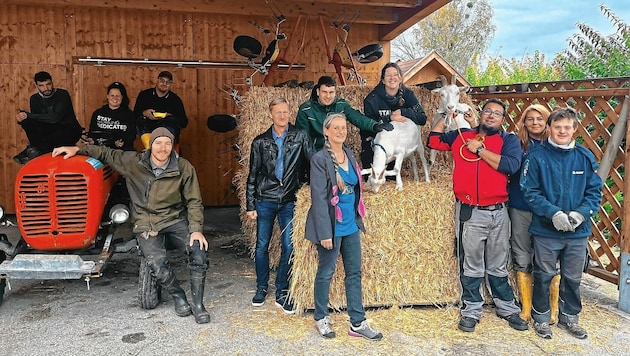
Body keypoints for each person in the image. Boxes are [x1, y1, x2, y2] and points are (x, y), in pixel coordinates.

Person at [51, 127, 211, 324]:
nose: (163, 148)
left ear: (172, 146)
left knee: (198, 251)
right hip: (145, 221)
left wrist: (196, 229)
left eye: (168, 143)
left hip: (173, 218)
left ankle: (197, 304)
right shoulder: (133, 162)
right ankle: (178, 296)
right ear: (151, 145)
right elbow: (105, 153)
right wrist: (77, 149)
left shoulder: (183, 167)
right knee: (156, 263)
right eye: (158, 143)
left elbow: (194, 200)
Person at [427, 98, 528, 333]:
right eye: (488, 112)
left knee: (498, 263)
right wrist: (446, 115)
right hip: (470, 211)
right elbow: (433, 141)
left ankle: (507, 308)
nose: (491, 116)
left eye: (497, 114)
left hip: (499, 211)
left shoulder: (508, 140)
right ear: (479, 114)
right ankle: (471, 310)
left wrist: (480, 150)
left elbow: (511, 166)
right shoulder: (461, 136)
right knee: (470, 264)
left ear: (503, 120)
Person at [520, 107, 602, 340]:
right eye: (557, 127)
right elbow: (530, 191)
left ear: (575, 129)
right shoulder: (537, 157)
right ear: (549, 129)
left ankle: (570, 317)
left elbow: (594, 192)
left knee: (573, 277)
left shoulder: (584, 157)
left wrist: (581, 214)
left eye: (567, 127)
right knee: (544, 275)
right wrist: (553, 213)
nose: (562, 131)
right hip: (546, 231)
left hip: (577, 232)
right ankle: (542, 318)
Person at [304, 112, 383, 341]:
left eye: (343, 127)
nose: (341, 131)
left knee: (354, 274)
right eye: (335, 128)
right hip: (331, 226)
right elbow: (318, 199)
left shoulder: (349, 154)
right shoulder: (320, 159)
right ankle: (321, 318)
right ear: (326, 131)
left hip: (350, 224)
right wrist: (325, 233)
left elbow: (355, 187)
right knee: (326, 272)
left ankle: (357, 323)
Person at [246, 97, 314, 313]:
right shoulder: (259, 142)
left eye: (285, 112)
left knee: (289, 245)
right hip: (264, 199)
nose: (283, 116)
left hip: (289, 199)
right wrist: (250, 205)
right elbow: (252, 174)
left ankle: (282, 290)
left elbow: (313, 163)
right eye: (278, 112)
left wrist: (312, 191)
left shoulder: (300, 135)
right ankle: (261, 287)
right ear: (270, 115)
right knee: (262, 245)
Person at [507, 104, 558, 324]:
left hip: (547, 208)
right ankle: (526, 309)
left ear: (547, 121)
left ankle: (551, 309)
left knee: (548, 257)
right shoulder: (517, 143)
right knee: (522, 253)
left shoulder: (556, 145)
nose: (535, 123)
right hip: (520, 206)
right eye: (530, 119)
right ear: (524, 122)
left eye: (539, 118)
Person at [295, 75, 393, 150]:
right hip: (316, 151)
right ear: (317, 92)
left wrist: (374, 125)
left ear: (335, 92)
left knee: (353, 172)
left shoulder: (341, 105)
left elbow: (357, 117)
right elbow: (302, 138)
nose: (328, 96)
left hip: (338, 148)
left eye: (331, 92)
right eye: (324, 92)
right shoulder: (306, 110)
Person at [361, 62, 427, 170]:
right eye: (388, 75)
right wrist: (389, 118)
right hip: (376, 143)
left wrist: (403, 112)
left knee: (390, 177)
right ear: (383, 80)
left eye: (396, 74)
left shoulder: (408, 95)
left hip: (396, 145)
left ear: (400, 78)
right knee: (373, 176)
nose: (392, 78)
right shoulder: (372, 99)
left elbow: (422, 118)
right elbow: (369, 123)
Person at [14, 71, 83, 164]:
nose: (46, 88)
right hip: (50, 133)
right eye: (41, 85)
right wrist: (22, 119)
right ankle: (37, 148)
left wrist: (29, 115)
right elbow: (38, 122)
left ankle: (36, 149)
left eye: (48, 84)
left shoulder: (62, 94)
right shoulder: (34, 99)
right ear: (36, 86)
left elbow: (55, 118)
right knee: (27, 121)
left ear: (52, 83)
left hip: (68, 130)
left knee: (55, 133)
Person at [134, 71, 188, 148]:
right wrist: (144, 113)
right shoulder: (144, 95)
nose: (164, 84)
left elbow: (184, 122)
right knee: (141, 120)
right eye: (162, 80)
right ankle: (150, 148)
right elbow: (133, 115)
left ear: (171, 84)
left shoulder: (175, 100)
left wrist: (169, 116)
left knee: (172, 121)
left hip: (167, 131)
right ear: (157, 80)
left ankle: (165, 147)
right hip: (148, 129)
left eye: (168, 82)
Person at [87, 82, 137, 151]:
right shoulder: (97, 113)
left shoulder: (129, 115)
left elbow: (131, 137)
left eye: (117, 96)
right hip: (100, 150)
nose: (115, 98)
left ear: (122, 97)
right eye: (112, 95)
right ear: (107, 96)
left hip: (121, 152)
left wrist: (119, 143)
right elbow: (91, 134)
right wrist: (90, 140)